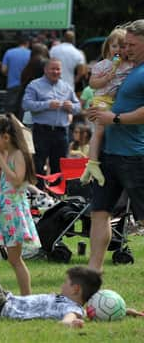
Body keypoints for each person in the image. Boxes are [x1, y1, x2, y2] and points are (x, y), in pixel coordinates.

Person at [85, 19, 144, 271]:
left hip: (134, 156)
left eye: (132, 44)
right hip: (108, 153)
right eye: (125, 43)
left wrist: (115, 118)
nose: (126, 48)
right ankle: (92, 271)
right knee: (100, 212)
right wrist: (99, 113)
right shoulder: (127, 67)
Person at [0, 115, 40, 296]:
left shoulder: (19, 154)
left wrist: (2, 162)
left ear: (5, 137)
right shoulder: (6, 154)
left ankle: (26, 296)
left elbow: (17, 181)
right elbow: (4, 182)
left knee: (15, 259)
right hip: (0, 209)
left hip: (13, 211)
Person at [80, 28, 133, 186]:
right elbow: (92, 83)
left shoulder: (130, 66)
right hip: (102, 99)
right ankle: (93, 162)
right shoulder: (102, 65)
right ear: (108, 47)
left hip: (116, 103)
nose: (118, 50)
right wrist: (106, 78)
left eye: (122, 46)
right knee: (100, 129)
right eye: (114, 46)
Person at [22, 59, 81, 175]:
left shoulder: (66, 87)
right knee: (38, 165)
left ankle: (57, 193)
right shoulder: (34, 85)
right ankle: (38, 191)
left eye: (58, 69)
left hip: (61, 132)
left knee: (59, 167)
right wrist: (47, 105)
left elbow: (78, 107)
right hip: (42, 131)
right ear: (45, 70)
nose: (55, 72)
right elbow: (26, 104)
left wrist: (71, 107)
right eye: (52, 69)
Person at [2, 36, 31, 118]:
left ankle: (9, 128)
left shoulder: (9, 52)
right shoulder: (31, 53)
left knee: (10, 111)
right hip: (26, 85)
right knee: (23, 111)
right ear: (27, 43)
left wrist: (10, 73)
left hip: (12, 85)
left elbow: (3, 70)